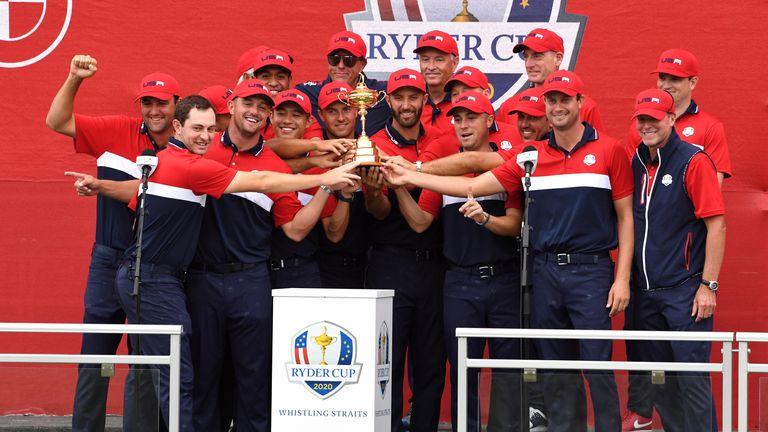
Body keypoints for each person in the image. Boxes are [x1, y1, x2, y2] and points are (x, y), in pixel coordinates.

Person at [72, 95, 360, 431]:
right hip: (167, 280)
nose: (205, 135)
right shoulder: (196, 161)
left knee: (181, 373)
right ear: (179, 127)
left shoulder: (178, 158)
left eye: (209, 128)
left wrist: (100, 186)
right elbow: (261, 180)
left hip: (215, 281)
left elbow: (143, 188)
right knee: (176, 377)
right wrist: (323, 175)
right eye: (198, 128)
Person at [381, 70, 633, 432]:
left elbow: (626, 218)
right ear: (545, 106)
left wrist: (621, 278)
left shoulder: (609, 149)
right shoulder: (531, 157)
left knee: (596, 365)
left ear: (580, 103)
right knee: (552, 365)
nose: (558, 107)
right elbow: (477, 182)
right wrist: (409, 179)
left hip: (590, 272)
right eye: (552, 100)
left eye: (565, 99)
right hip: (544, 272)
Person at [45, 54, 179, 432]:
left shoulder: (187, 145)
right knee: (96, 358)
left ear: (176, 105)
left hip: (155, 266)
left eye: (162, 103)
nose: (154, 110)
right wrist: (74, 78)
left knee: (146, 362)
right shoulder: (116, 129)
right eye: (148, 103)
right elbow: (56, 121)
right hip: (109, 259)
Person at [396, 91, 523, 432]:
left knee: (508, 369)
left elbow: (513, 225)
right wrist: (397, 187)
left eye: (472, 118)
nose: (463, 125)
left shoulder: (505, 165)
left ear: (490, 121)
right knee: (462, 370)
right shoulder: (443, 176)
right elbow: (421, 222)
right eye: (458, 119)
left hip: (504, 280)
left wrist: (485, 220)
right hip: (459, 284)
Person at [621, 49, 733, 431]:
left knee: (691, 381)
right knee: (660, 382)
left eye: (655, 118)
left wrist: (708, 285)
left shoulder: (693, 160)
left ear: (672, 118)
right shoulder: (635, 160)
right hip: (644, 292)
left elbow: (715, 225)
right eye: (642, 119)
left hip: (685, 291)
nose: (648, 125)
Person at [365, 69, 446, 432]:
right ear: (390, 101)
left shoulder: (442, 142)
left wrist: (400, 180)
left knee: (430, 366)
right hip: (389, 262)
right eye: (400, 97)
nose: (407, 104)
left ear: (424, 100)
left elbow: (424, 220)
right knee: (388, 364)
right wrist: (373, 189)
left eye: (414, 97)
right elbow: (378, 213)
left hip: (433, 266)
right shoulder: (372, 142)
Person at [266, 89, 351, 288]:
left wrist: (345, 196)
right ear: (271, 117)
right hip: (255, 272)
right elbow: (273, 149)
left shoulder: (319, 168)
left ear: (309, 122)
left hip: (300, 272)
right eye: (281, 113)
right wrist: (316, 154)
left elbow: (334, 233)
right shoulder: (258, 151)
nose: (287, 120)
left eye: (296, 115)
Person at [313, 82, 372, 288]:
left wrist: (372, 189)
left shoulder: (372, 151)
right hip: (326, 269)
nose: (340, 118)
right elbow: (333, 234)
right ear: (321, 114)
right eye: (332, 111)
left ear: (357, 110)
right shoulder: (314, 158)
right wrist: (345, 194)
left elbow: (382, 213)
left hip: (371, 267)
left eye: (346, 109)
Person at [496, 27, 604, 131]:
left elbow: (598, 148)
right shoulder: (509, 107)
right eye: (526, 56)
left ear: (558, 58)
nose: (529, 64)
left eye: (537, 56)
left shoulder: (583, 107)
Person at [296, 30, 389, 136]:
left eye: (348, 60)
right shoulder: (308, 94)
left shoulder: (383, 94)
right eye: (334, 59)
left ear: (362, 64)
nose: (340, 66)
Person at [415, 30, 460, 134]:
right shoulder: (408, 102)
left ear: (455, 62)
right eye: (425, 59)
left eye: (439, 60)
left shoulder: (466, 101)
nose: (431, 67)